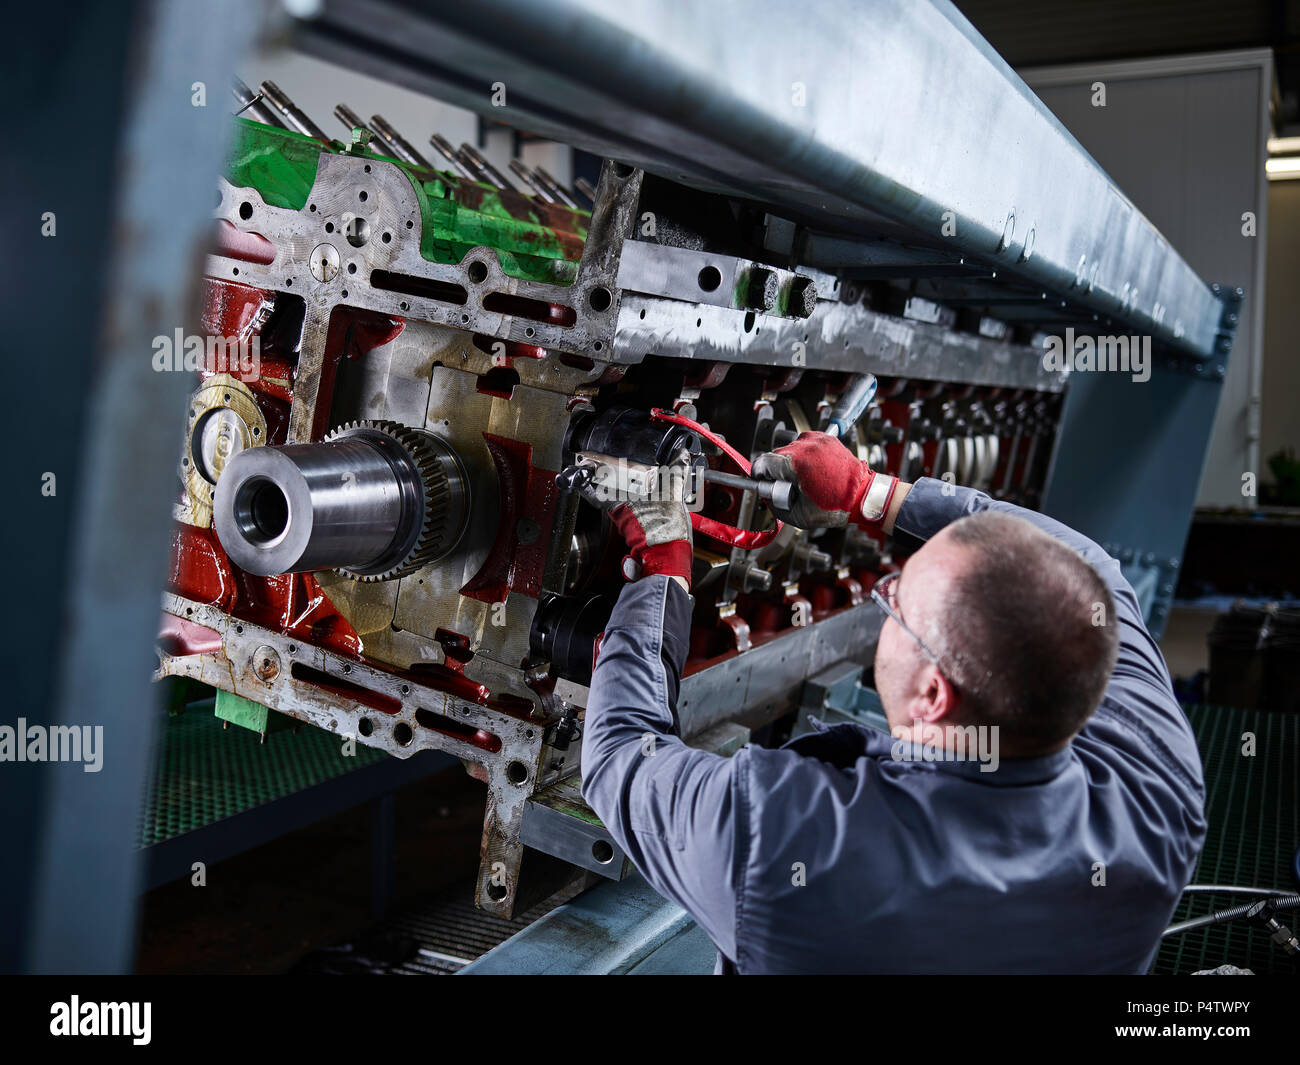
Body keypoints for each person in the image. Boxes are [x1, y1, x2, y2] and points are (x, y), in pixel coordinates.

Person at [577, 431, 1207, 974]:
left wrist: (661, 570)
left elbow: (619, 756)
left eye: (894, 603)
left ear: (932, 694)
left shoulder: (790, 843)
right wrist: (868, 494)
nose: (885, 599)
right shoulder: (1158, 794)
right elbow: (1091, 569)